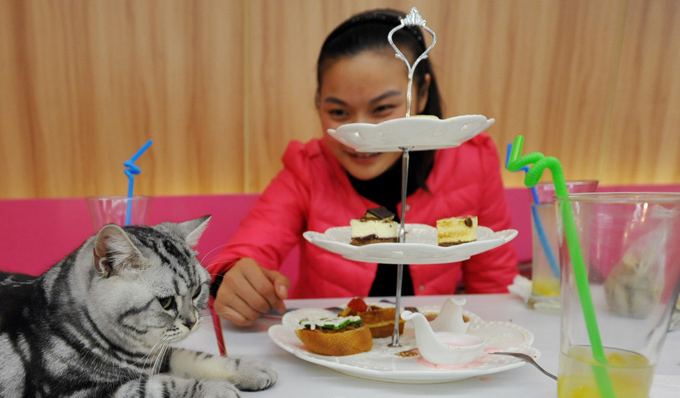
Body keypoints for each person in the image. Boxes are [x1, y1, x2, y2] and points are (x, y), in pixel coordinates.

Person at [211, 8, 518, 327]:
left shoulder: (473, 162)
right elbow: (245, 251)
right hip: (333, 349)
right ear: (318, 103)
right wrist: (231, 278)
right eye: (339, 112)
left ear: (422, 92)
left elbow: (494, 287)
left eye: (383, 108)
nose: (360, 135)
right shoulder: (309, 169)